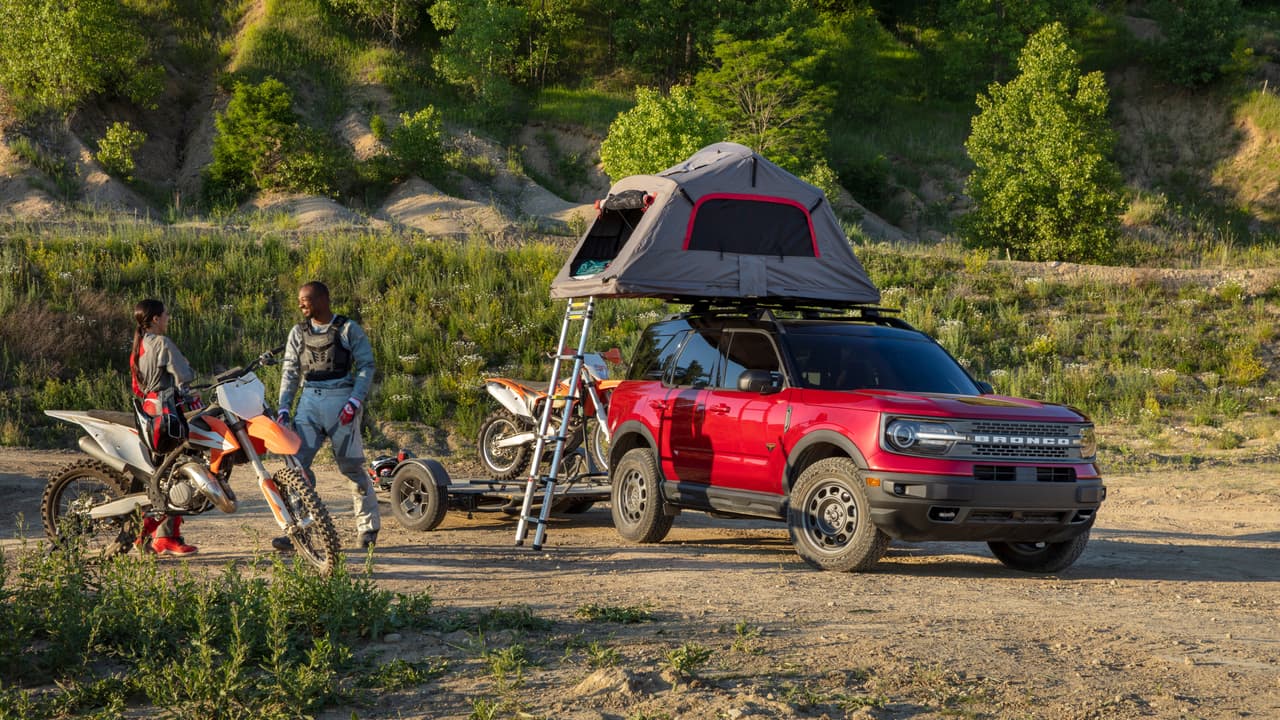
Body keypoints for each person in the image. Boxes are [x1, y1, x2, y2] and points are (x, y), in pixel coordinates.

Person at [274, 281, 380, 551]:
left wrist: (355, 401)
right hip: (309, 401)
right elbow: (290, 371)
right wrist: (284, 407)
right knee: (297, 469)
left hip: (342, 401)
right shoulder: (298, 332)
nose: (301, 304)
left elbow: (366, 365)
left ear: (323, 299)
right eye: (299, 299)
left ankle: (367, 529)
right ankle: (299, 528)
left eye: (306, 299)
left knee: (352, 468)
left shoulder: (347, 329)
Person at [128, 299, 201, 556]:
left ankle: (168, 536)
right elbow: (184, 378)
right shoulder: (163, 344)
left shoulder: (139, 347)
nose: (169, 318)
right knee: (177, 476)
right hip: (167, 417)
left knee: (163, 475)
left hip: (149, 414)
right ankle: (144, 535)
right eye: (166, 315)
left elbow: (137, 387)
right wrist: (195, 398)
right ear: (156, 319)